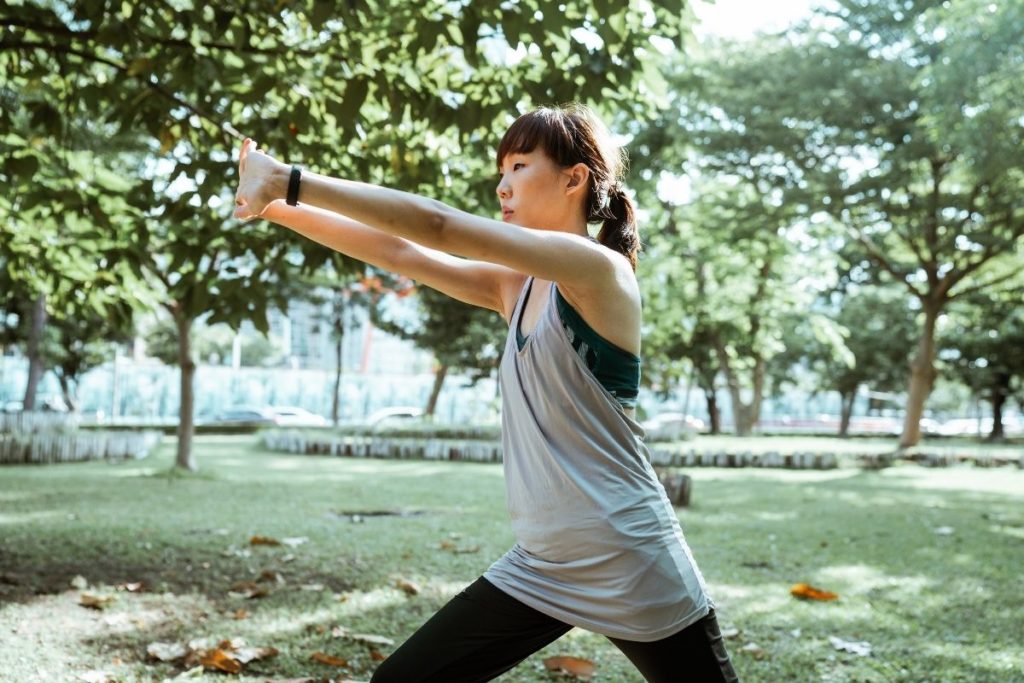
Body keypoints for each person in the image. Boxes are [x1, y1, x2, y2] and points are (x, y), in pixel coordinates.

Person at [234, 104, 738, 683]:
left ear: (574, 178)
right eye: (501, 170)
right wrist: (276, 207)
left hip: (629, 554)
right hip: (543, 564)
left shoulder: (598, 271)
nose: (502, 185)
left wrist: (290, 180)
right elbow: (402, 253)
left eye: (520, 166)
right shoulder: (515, 288)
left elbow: (442, 228)